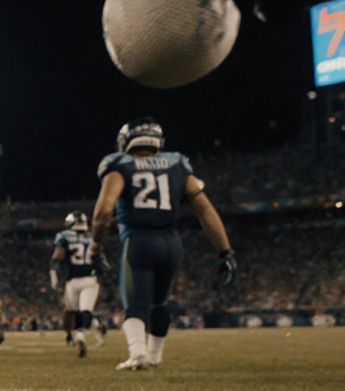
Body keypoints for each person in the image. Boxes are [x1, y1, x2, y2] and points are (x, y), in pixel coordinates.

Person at [91, 117, 237, 370]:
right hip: (171, 243)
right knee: (160, 302)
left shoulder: (119, 164)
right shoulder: (177, 163)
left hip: (139, 242)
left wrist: (95, 246)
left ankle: (138, 354)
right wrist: (225, 251)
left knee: (134, 305)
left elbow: (104, 212)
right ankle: (155, 355)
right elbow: (206, 211)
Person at [51, 211, 99, 357]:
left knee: (71, 310)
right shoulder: (92, 236)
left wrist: (53, 273)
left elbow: (58, 256)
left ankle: (72, 335)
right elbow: (99, 256)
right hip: (90, 278)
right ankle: (81, 334)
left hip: (72, 281)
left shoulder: (63, 236)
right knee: (86, 309)